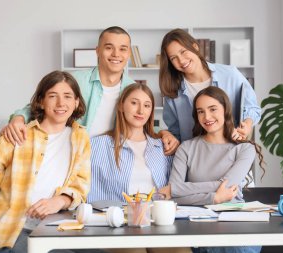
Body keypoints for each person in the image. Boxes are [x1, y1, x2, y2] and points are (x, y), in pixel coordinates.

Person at [0, 71, 91, 253]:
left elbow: (80, 186)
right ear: (41, 101)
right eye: (52, 96)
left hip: (55, 228)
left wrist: (60, 200)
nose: (60, 103)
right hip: (10, 232)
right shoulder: (16, 135)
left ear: (76, 103)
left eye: (67, 96)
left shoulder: (81, 137)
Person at [1, 26, 179, 155]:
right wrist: (18, 119)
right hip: (69, 155)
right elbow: (38, 106)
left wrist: (163, 133)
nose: (116, 54)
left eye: (123, 49)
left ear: (128, 55)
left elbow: (143, 124)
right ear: (98, 51)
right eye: (109, 47)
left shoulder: (133, 89)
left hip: (110, 161)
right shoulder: (75, 81)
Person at [160, 86, 265, 253]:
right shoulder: (186, 148)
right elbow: (174, 199)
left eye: (213, 109)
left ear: (225, 110)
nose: (207, 117)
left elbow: (227, 188)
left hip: (236, 223)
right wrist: (214, 198)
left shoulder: (244, 149)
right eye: (200, 111)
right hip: (197, 223)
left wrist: (177, 189)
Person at [87, 83, 190, 253]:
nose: (141, 111)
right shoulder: (98, 145)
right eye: (134, 103)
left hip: (158, 223)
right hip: (115, 225)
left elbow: (176, 188)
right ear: (121, 106)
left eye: (147, 105)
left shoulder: (163, 147)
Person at [159, 28, 261, 143]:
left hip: (231, 152)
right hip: (193, 158)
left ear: (195, 47)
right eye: (173, 58)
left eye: (183, 52)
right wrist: (165, 134)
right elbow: (175, 133)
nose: (181, 60)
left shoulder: (230, 74)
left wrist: (247, 124)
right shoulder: (173, 92)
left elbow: (252, 108)